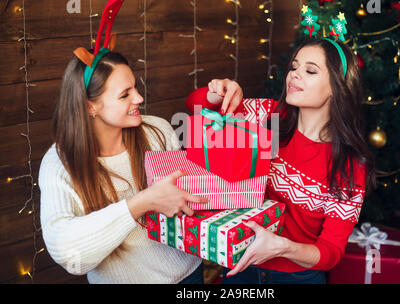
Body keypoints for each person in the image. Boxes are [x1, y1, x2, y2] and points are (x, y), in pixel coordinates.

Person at [186, 38, 376, 284]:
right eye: (294, 67)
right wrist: (216, 94)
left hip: (297, 277)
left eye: (309, 70)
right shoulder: (270, 116)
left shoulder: (349, 166)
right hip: (241, 266)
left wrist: (284, 248)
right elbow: (196, 106)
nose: (294, 75)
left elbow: (331, 251)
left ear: (336, 87)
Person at [39, 50, 208, 284]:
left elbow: (190, 198)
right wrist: (140, 204)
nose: (138, 98)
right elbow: (67, 252)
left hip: (189, 275)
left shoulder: (158, 131)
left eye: (135, 88)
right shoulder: (60, 163)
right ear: (90, 108)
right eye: (125, 95)